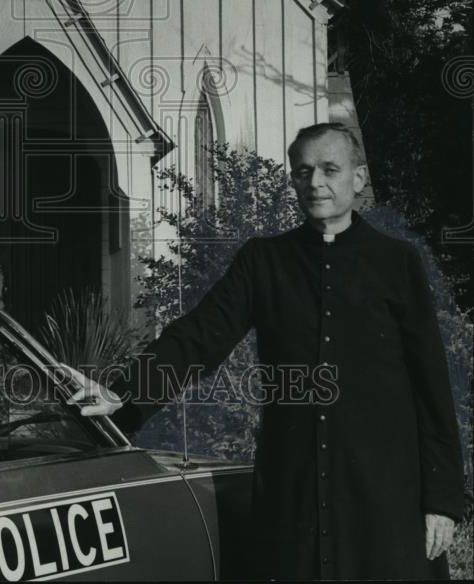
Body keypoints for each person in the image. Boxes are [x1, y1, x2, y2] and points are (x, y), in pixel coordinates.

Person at [73, 123, 465, 580]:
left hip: (383, 494)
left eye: (329, 169)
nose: (315, 181)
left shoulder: (397, 262)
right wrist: (125, 394)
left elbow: (432, 386)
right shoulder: (264, 260)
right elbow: (199, 335)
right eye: (303, 171)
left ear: (358, 178)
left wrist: (441, 500)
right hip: (296, 488)